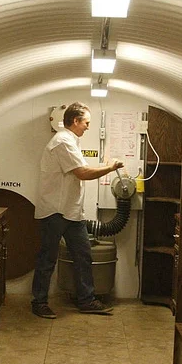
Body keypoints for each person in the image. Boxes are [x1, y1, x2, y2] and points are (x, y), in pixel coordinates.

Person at [31, 102, 123, 319]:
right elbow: (82, 173)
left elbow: (80, 170)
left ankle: (87, 300)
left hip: (70, 211)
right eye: (86, 123)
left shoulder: (71, 141)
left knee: (83, 255)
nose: (88, 127)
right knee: (47, 259)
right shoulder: (62, 142)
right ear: (75, 121)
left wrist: (104, 165)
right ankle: (39, 302)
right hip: (55, 210)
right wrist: (110, 168)